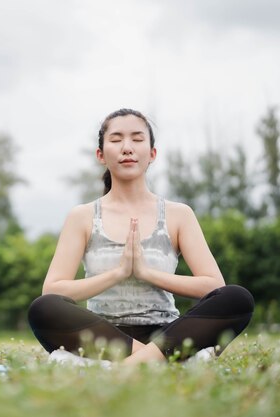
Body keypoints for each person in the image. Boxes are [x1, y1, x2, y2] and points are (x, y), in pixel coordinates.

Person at [28, 108, 254, 364]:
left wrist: (147, 273)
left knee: (238, 298)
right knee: (42, 309)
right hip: (104, 334)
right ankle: (163, 363)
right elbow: (53, 290)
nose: (127, 148)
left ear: (152, 154)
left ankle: (126, 364)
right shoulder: (82, 216)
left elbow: (214, 286)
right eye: (116, 140)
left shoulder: (179, 214)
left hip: (168, 334)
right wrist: (119, 273)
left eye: (137, 139)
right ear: (101, 155)